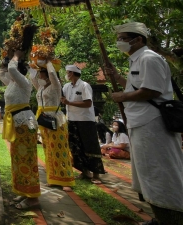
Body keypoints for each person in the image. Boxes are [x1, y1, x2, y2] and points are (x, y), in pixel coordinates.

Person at [107, 22, 183, 224]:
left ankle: (172, 216)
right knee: (147, 174)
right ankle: (158, 217)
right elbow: (138, 86)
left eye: (123, 38)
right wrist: (117, 78)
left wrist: (122, 96)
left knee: (160, 173)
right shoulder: (137, 60)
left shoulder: (149, 59)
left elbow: (152, 91)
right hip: (140, 123)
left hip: (152, 124)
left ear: (138, 39)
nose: (119, 42)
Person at [0, 51, 40, 210]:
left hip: (24, 123)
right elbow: (3, 73)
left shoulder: (24, 82)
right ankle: (24, 192)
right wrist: (5, 59)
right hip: (17, 124)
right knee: (18, 160)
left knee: (27, 160)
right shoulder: (12, 84)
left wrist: (16, 56)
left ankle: (33, 198)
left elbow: (11, 70)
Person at [30, 61, 75, 191]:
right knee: (48, 149)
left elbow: (53, 74)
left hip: (55, 120)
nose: (40, 77)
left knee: (60, 149)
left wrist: (48, 62)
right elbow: (32, 77)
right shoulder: (40, 87)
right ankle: (53, 177)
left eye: (42, 74)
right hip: (43, 120)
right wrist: (32, 66)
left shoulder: (56, 86)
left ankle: (66, 180)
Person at [61, 64, 105, 184]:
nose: (67, 74)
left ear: (73, 73)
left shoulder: (84, 86)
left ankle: (96, 173)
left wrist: (69, 102)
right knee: (76, 146)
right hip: (72, 119)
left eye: (68, 72)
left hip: (85, 120)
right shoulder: (66, 86)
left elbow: (88, 103)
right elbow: (61, 97)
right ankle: (84, 171)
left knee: (90, 145)